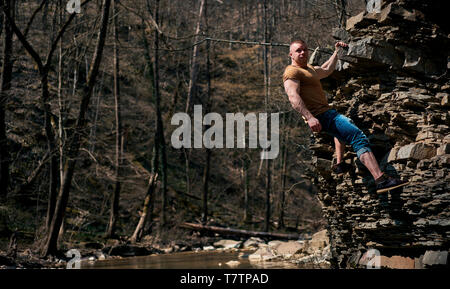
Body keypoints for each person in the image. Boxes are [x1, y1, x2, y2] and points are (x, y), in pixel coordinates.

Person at [283, 39, 408, 194]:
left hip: (327, 113)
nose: (303, 53)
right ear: (291, 54)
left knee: (343, 128)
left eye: (305, 50)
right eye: (298, 51)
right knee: (358, 137)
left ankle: (340, 163)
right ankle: (380, 180)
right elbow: (293, 97)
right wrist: (309, 117)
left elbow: (326, 69)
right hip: (321, 116)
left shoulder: (309, 69)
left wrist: (337, 52)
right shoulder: (291, 72)